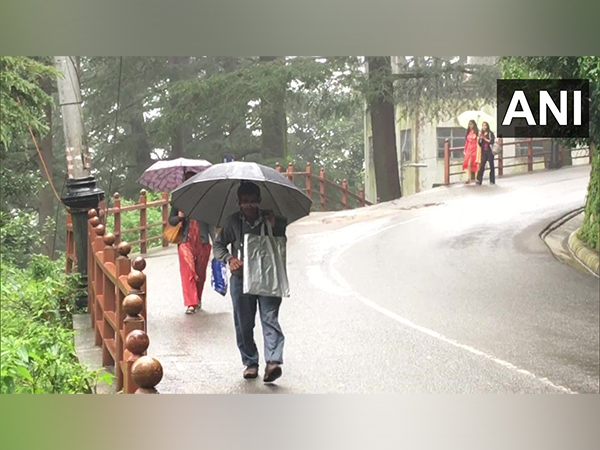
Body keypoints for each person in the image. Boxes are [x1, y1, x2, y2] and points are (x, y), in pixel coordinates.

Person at [213, 181, 287, 383]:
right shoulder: (232, 222)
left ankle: (273, 361)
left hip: (267, 277)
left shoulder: (272, 219)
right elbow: (218, 245)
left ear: (259, 201)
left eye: (253, 201)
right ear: (238, 201)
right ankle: (250, 362)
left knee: (270, 317)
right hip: (241, 278)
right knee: (243, 323)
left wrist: (273, 225)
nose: (249, 205)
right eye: (245, 201)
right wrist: (230, 259)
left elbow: (281, 242)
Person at [169, 171, 215, 315]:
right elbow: (171, 220)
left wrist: (216, 242)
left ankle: (198, 298)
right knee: (188, 270)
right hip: (185, 240)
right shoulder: (179, 200)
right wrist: (179, 217)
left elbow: (211, 222)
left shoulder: (206, 200)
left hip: (202, 241)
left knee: (200, 273)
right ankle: (191, 303)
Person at [462, 120, 479, 184]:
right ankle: (468, 178)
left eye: (472, 124)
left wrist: (477, 137)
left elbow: (479, 141)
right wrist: (465, 149)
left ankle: (477, 178)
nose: (470, 126)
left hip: (475, 148)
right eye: (469, 124)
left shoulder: (477, 132)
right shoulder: (468, 133)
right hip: (469, 149)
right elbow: (466, 142)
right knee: (467, 164)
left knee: (475, 163)